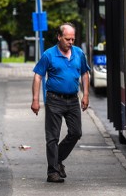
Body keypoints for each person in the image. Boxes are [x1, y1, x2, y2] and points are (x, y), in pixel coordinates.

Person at [31, 23, 90, 183]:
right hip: (54, 100)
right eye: (67, 39)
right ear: (59, 37)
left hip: (72, 100)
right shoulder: (49, 55)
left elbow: (85, 73)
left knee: (76, 132)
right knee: (52, 137)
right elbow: (38, 76)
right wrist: (35, 100)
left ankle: (58, 160)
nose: (71, 42)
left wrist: (85, 95)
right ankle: (53, 172)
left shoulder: (79, 53)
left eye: (73, 39)